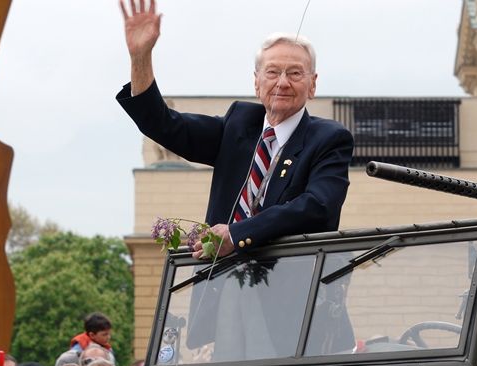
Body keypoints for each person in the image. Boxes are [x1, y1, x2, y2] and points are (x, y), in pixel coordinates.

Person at [118, 1, 353, 260]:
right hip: (219, 288)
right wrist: (141, 58)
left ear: (312, 84)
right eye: (272, 72)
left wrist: (237, 234)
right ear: (256, 82)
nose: (283, 83)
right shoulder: (238, 124)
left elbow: (317, 206)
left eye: (295, 73)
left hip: (293, 290)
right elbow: (164, 125)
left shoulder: (329, 139)